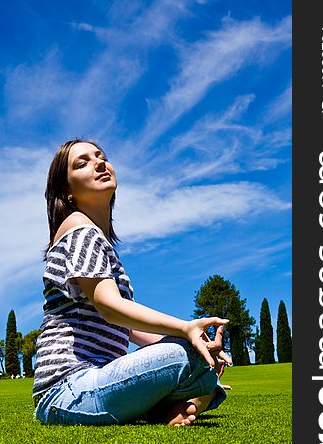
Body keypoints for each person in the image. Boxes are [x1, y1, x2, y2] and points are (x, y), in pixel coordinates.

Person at [33, 139, 232, 427]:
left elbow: (127, 327)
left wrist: (197, 343)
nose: (99, 163)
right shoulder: (78, 228)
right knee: (186, 358)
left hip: (94, 385)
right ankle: (168, 405)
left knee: (201, 362)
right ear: (67, 192)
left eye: (101, 156)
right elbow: (110, 307)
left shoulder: (96, 239)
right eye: (82, 162)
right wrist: (185, 328)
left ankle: (162, 411)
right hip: (66, 391)